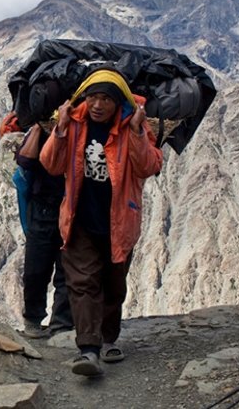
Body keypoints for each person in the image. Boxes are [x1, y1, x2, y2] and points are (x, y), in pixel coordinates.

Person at [39, 69, 163, 377]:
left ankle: (108, 339)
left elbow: (148, 166)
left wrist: (136, 131)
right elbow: (51, 164)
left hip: (119, 222)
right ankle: (89, 350)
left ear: (118, 101)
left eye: (106, 99)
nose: (97, 105)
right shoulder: (74, 122)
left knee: (113, 285)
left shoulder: (132, 125)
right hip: (79, 220)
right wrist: (61, 128)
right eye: (93, 97)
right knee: (82, 284)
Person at [16, 123, 73, 338]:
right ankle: (33, 319)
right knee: (35, 269)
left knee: (67, 270)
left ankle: (61, 324)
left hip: (73, 210)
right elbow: (25, 161)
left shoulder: (83, 129)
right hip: (43, 208)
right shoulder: (40, 132)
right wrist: (39, 129)